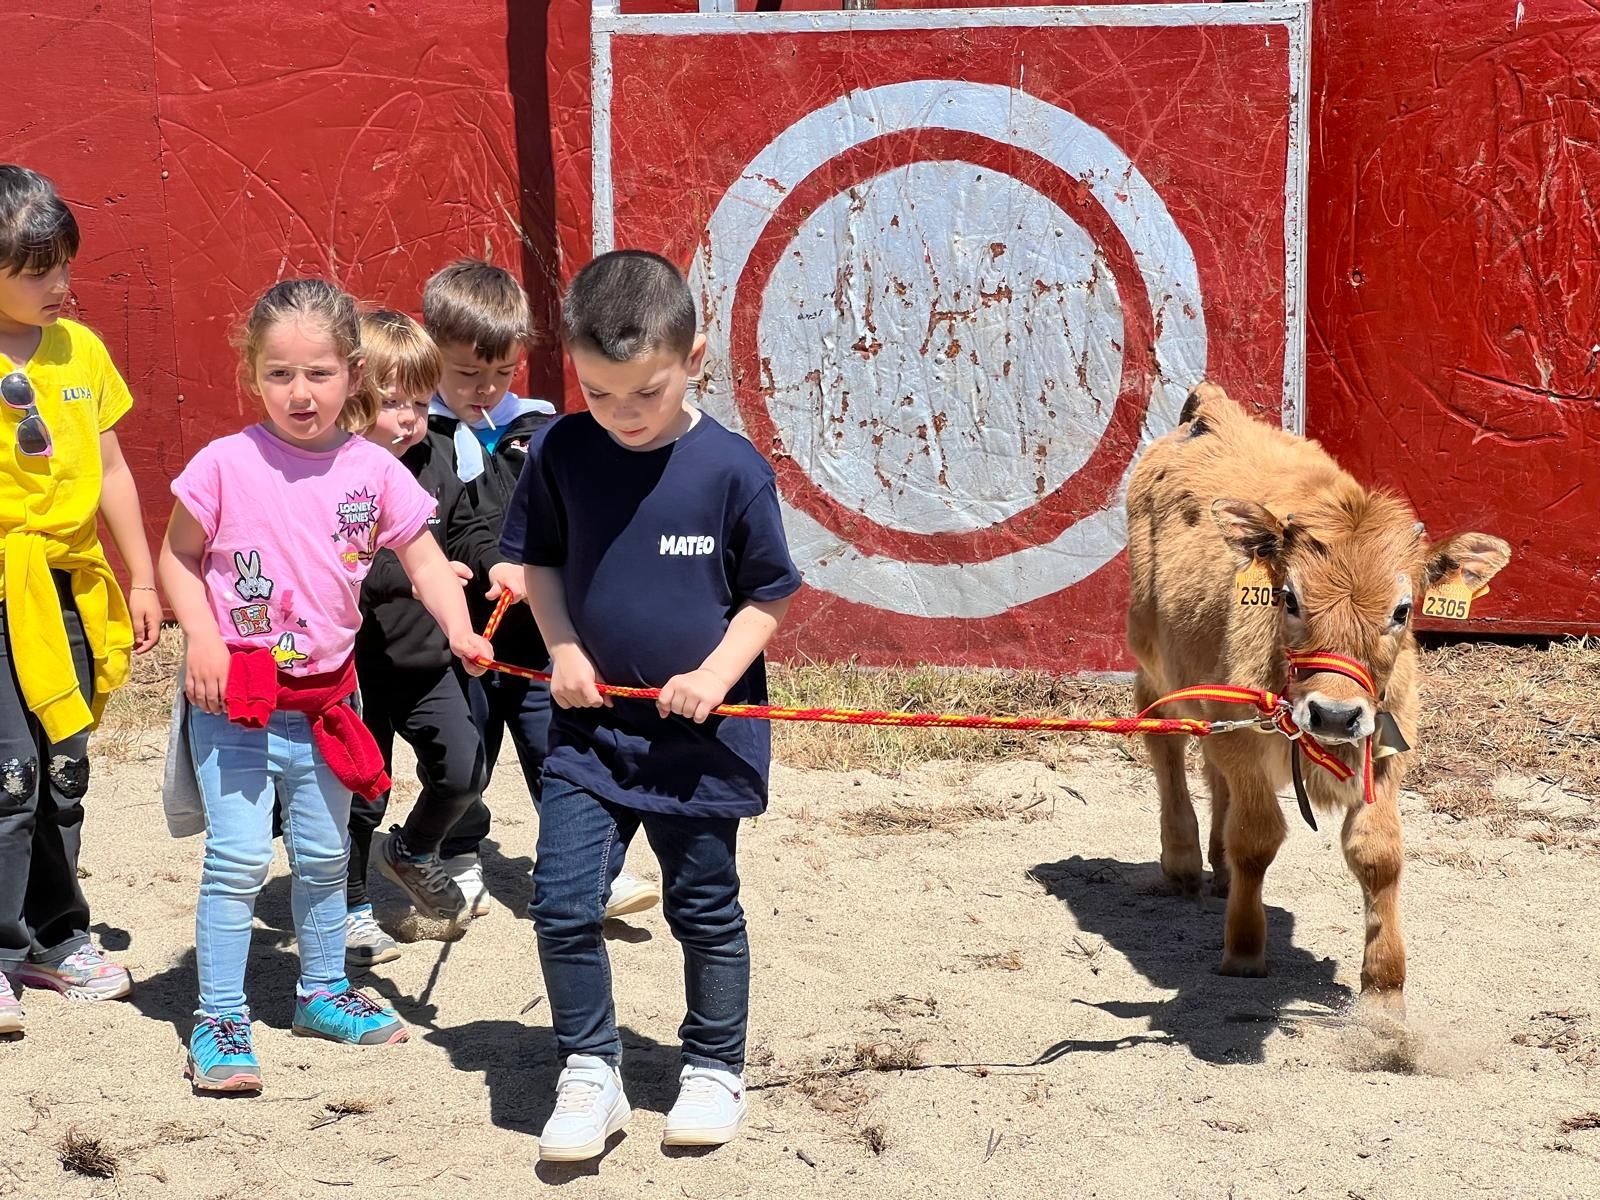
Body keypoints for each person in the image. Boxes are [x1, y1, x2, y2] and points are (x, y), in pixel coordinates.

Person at [158, 279, 494, 1092]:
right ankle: (221, 1017)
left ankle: (322, 991)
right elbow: (177, 557)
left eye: (317, 373)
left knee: (317, 856)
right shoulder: (224, 464)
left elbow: (422, 559)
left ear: (353, 374)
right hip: (235, 699)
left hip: (327, 705)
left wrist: (459, 629)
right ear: (252, 374)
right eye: (279, 374)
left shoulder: (373, 473)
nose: (299, 393)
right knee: (237, 860)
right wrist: (202, 635)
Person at [503, 250, 801, 1160]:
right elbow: (540, 563)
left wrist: (714, 677)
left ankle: (714, 1068)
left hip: (701, 744)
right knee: (561, 904)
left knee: (703, 906)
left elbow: (769, 596)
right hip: (588, 736)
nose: (625, 415)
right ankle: (591, 1072)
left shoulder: (731, 470)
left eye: (648, 392)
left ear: (694, 356)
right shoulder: (559, 449)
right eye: (601, 393)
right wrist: (561, 649)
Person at [420, 258, 658, 919]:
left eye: (502, 372)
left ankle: (591, 873)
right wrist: (488, 565)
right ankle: (457, 858)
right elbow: (439, 527)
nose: (487, 388)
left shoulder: (544, 430)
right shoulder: (418, 436)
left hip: (538, 637)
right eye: (468, 373)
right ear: (429, 349)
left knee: (561, 752)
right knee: (462, 757)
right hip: (457, 638)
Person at [0, 164, 161, 1036]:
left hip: (66, 585)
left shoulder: (82, 351)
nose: (60, 285)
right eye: (36, 270)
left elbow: (112, 470)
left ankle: (56, 937)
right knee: (8, 774)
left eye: (63, 264)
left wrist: (139, 575)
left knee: (62, 771)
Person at [343, 309, 490, 965]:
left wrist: (494, 565)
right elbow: (350, 561)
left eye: (420, 402)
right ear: (353, 399)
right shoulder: (335, 472)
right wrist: (410, 572)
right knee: (360, 790)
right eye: (391, 402)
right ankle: (347, 906)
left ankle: (413, 851)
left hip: (424, 657)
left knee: (464, 771)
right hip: (354, 661)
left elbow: (464, 534)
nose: (408, 418)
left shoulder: (433, 462)